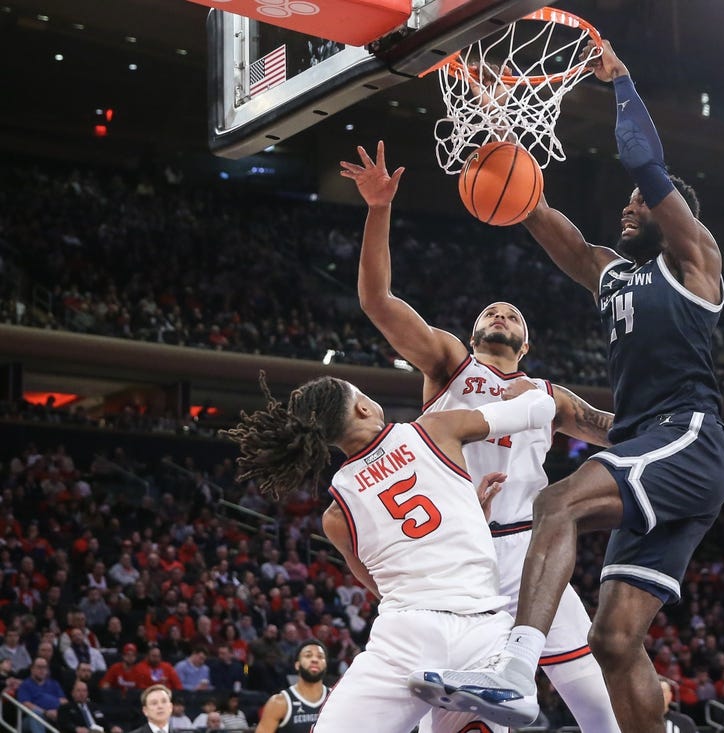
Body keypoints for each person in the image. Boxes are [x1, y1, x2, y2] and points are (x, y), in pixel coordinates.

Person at [410, 39, 724, 733]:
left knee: (557, 499)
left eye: (637, 207)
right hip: (651, 441)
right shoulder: (611, 273)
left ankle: (513, 673)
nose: (626, 211)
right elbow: (531, 209)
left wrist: (621, 83)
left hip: (687, 436)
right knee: (613, 643)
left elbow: (645, 163)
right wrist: (496, 116)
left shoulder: (695, 262)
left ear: (670, 214)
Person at [340, 140, 619, 732]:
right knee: (450, 722)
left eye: (513, 316)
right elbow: (377, 301)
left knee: (597, 703)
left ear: (527, 344)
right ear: (470, 331)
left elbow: (617, 434)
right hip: (458, 559)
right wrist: (379, 209)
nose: (502, 315)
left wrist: (680, 417)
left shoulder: (550, 395)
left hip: (530, 550)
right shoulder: (447, 364)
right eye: (492, 312)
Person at [222, 371, 557, 733]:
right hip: (483, 631)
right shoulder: (433, 429)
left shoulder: (336, 515)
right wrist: (528, 391)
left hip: (406, 637)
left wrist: (468, 514)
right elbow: (539, 410)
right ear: (364, 408)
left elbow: (384, 584)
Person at [254, 640, 329, 733]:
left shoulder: (335, 699)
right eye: (308, 655)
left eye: (320, 656)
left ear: (325, 665)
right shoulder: (279, 702)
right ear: (297, 665)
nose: (314, 659)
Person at [18, 657, 67, 733]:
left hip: (56, 715)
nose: (42, 670)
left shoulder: (54, 683)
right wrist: (46, 712)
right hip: (33, 718)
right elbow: (26, 704)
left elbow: (64, 701)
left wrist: (58, 711)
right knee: (36, 714)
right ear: (32, 669)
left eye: (44, 667)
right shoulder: (25, 685)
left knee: (70, 712)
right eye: (39, 667)